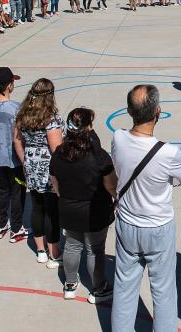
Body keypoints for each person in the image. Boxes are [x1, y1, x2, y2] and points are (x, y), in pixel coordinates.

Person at [110, 84, 181, 332]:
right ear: (158, 112)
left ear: (129, 111)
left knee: (124, 288)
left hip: (127, 223)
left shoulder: (118, 138)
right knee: (163, 291)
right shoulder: (169, 152)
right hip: (158, 227)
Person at [50, 107, 117, 303]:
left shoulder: (59, 153)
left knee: (72, 245)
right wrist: (116, 199)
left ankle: (70, 284)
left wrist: (66, 197)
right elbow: (111, 185)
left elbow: (55, 183)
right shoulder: (98, 156)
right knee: (94, 249)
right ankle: (98, 288)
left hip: (69, 208)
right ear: (88, 127)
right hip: (94, 210)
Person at [14, 78, 63, 265]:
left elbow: (17, 141)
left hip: (31, 164)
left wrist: (25, 160)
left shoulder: (23, 115)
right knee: (52, 211)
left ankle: (40, 250)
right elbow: (56, 149)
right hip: (48, 167)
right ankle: (54, 252)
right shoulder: (51, 119)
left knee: (37, 207)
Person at [0, 67, 28, 243]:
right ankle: (16, 228)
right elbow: (21, 136)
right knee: (18, 194)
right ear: (10, 85)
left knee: (2, 193)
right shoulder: (16, 108)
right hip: (14, 160)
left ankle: (1, 225)